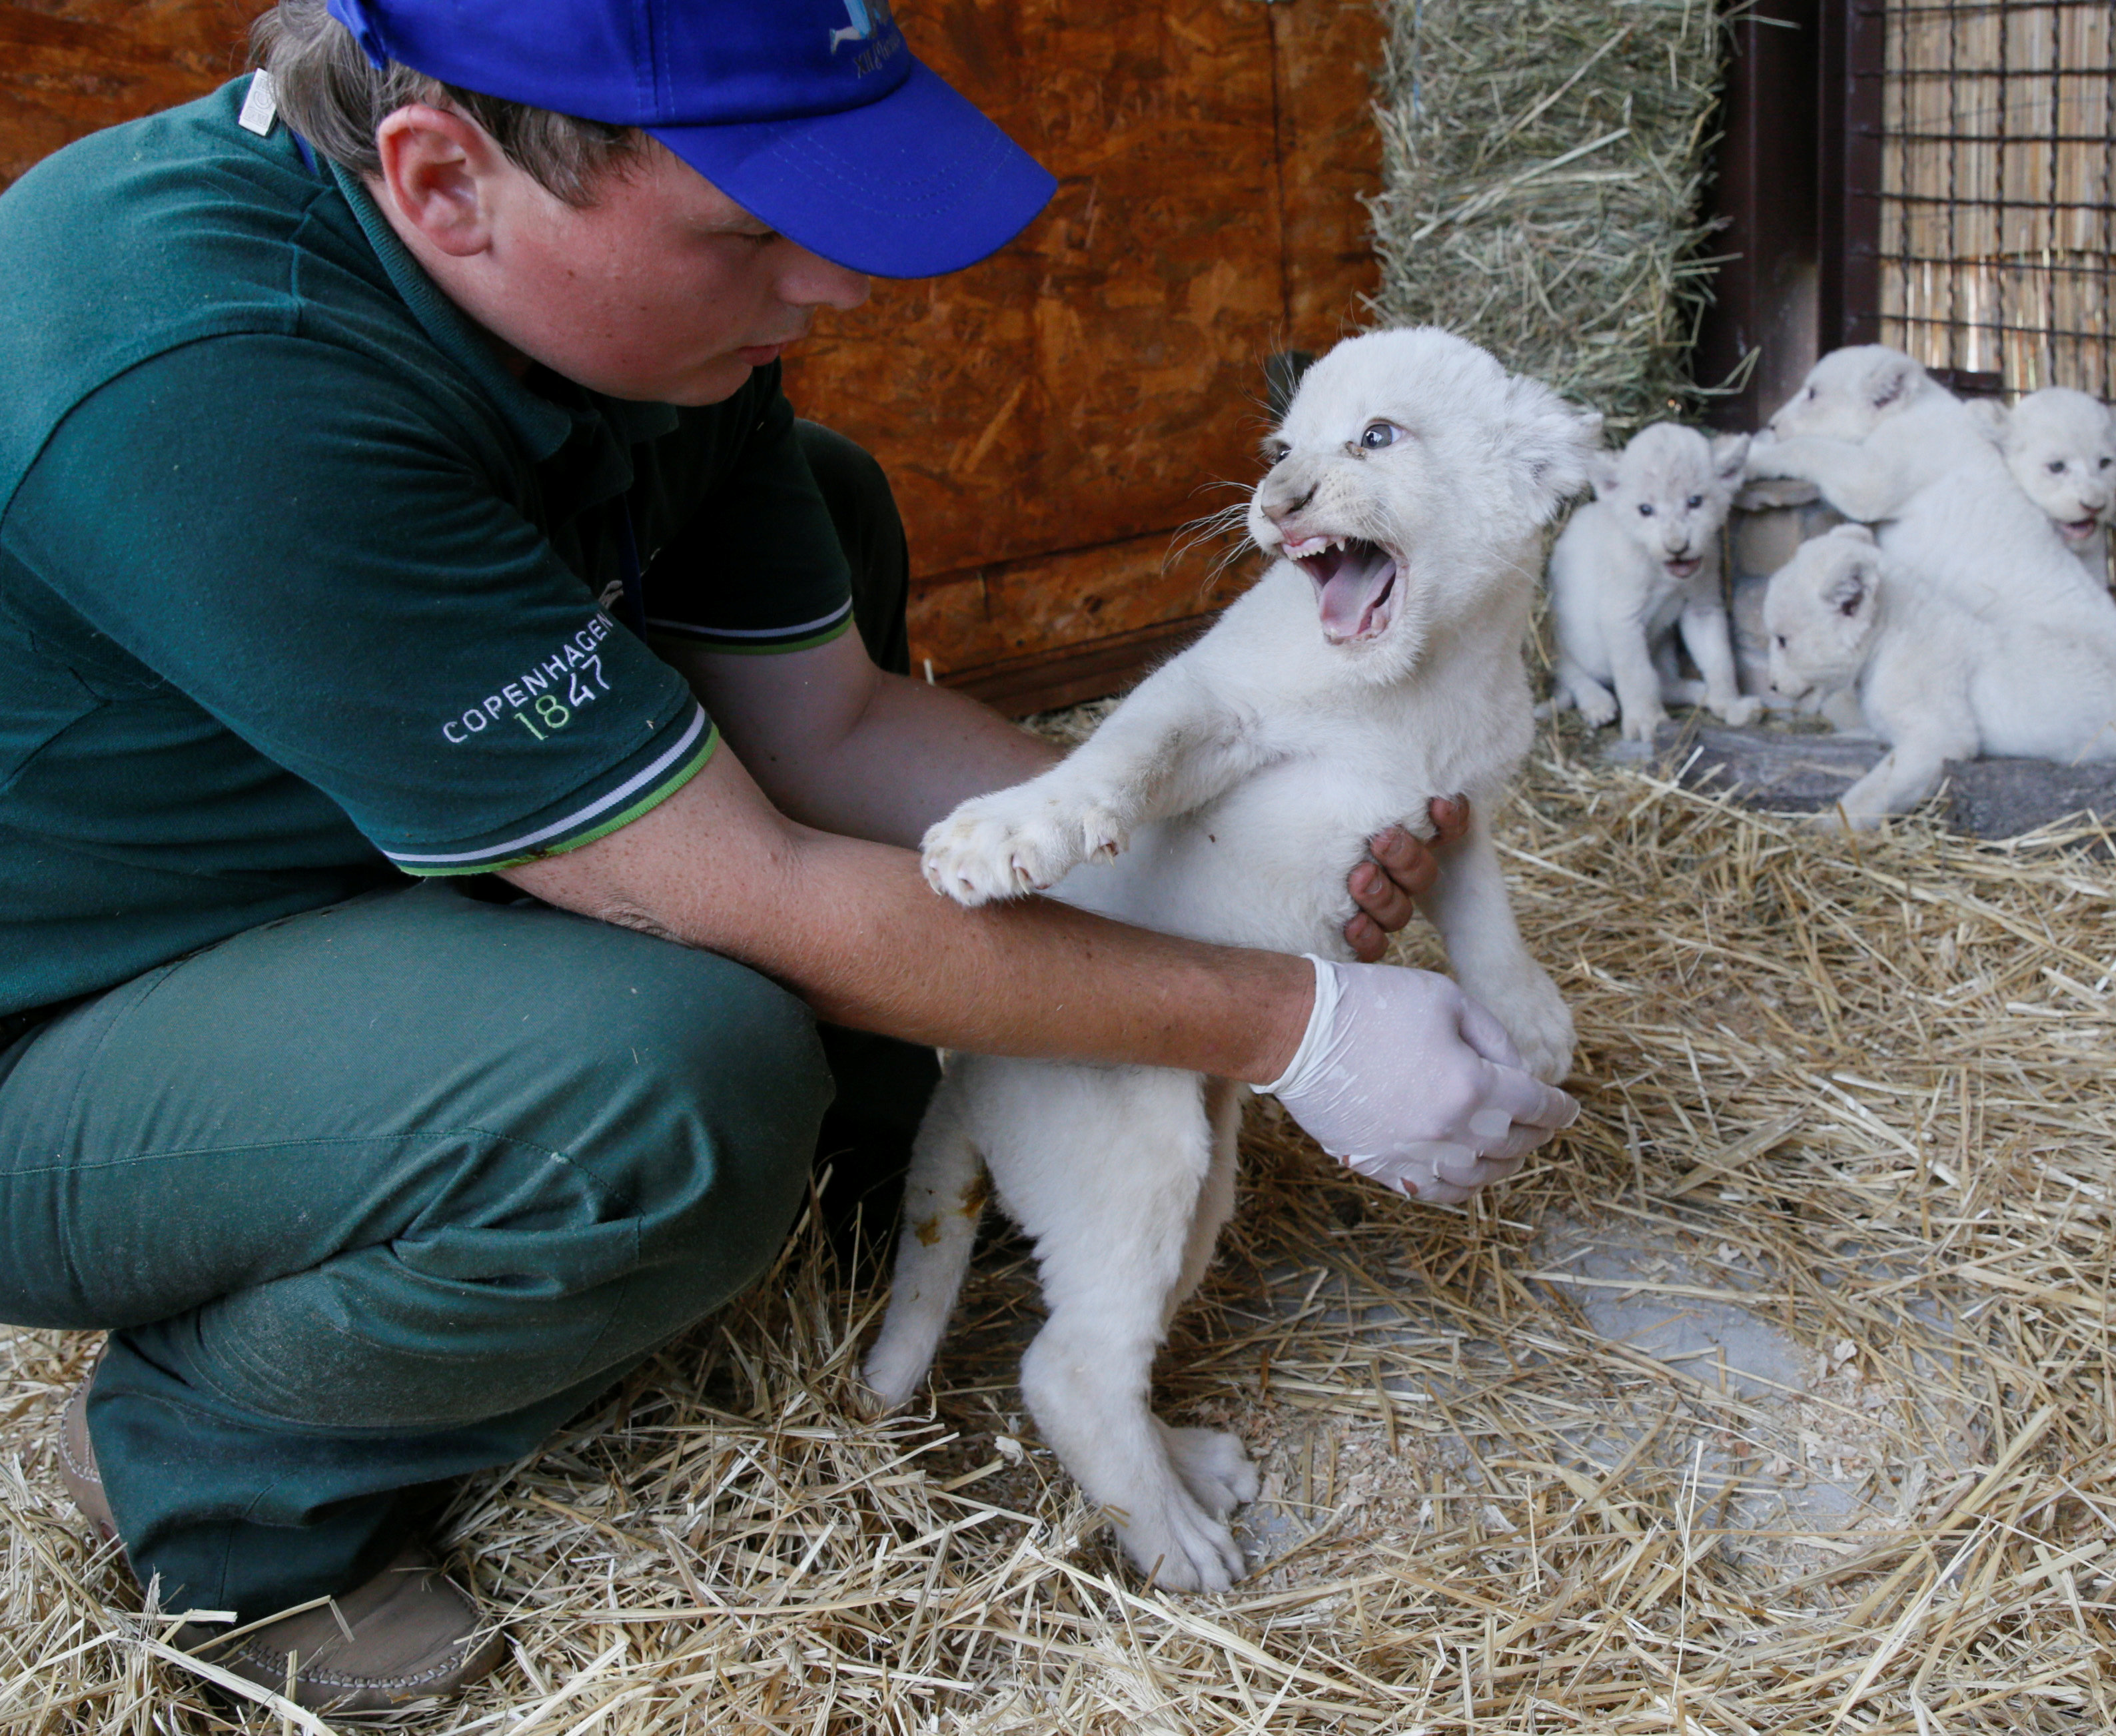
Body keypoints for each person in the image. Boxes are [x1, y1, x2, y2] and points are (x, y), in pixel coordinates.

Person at [0, 0, 1578, 1711]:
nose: (830, 280)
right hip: (69, 1026)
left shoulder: (615, 330)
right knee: (669, 1083)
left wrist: (1195, 858)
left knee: (825, 497)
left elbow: (833, 729)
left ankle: (817, 1168)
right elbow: (752, 885)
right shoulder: (214, 379)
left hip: (336, 855)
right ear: (446, 183)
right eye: (751, 229)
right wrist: (1291, 1022)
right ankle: (224, 1479)